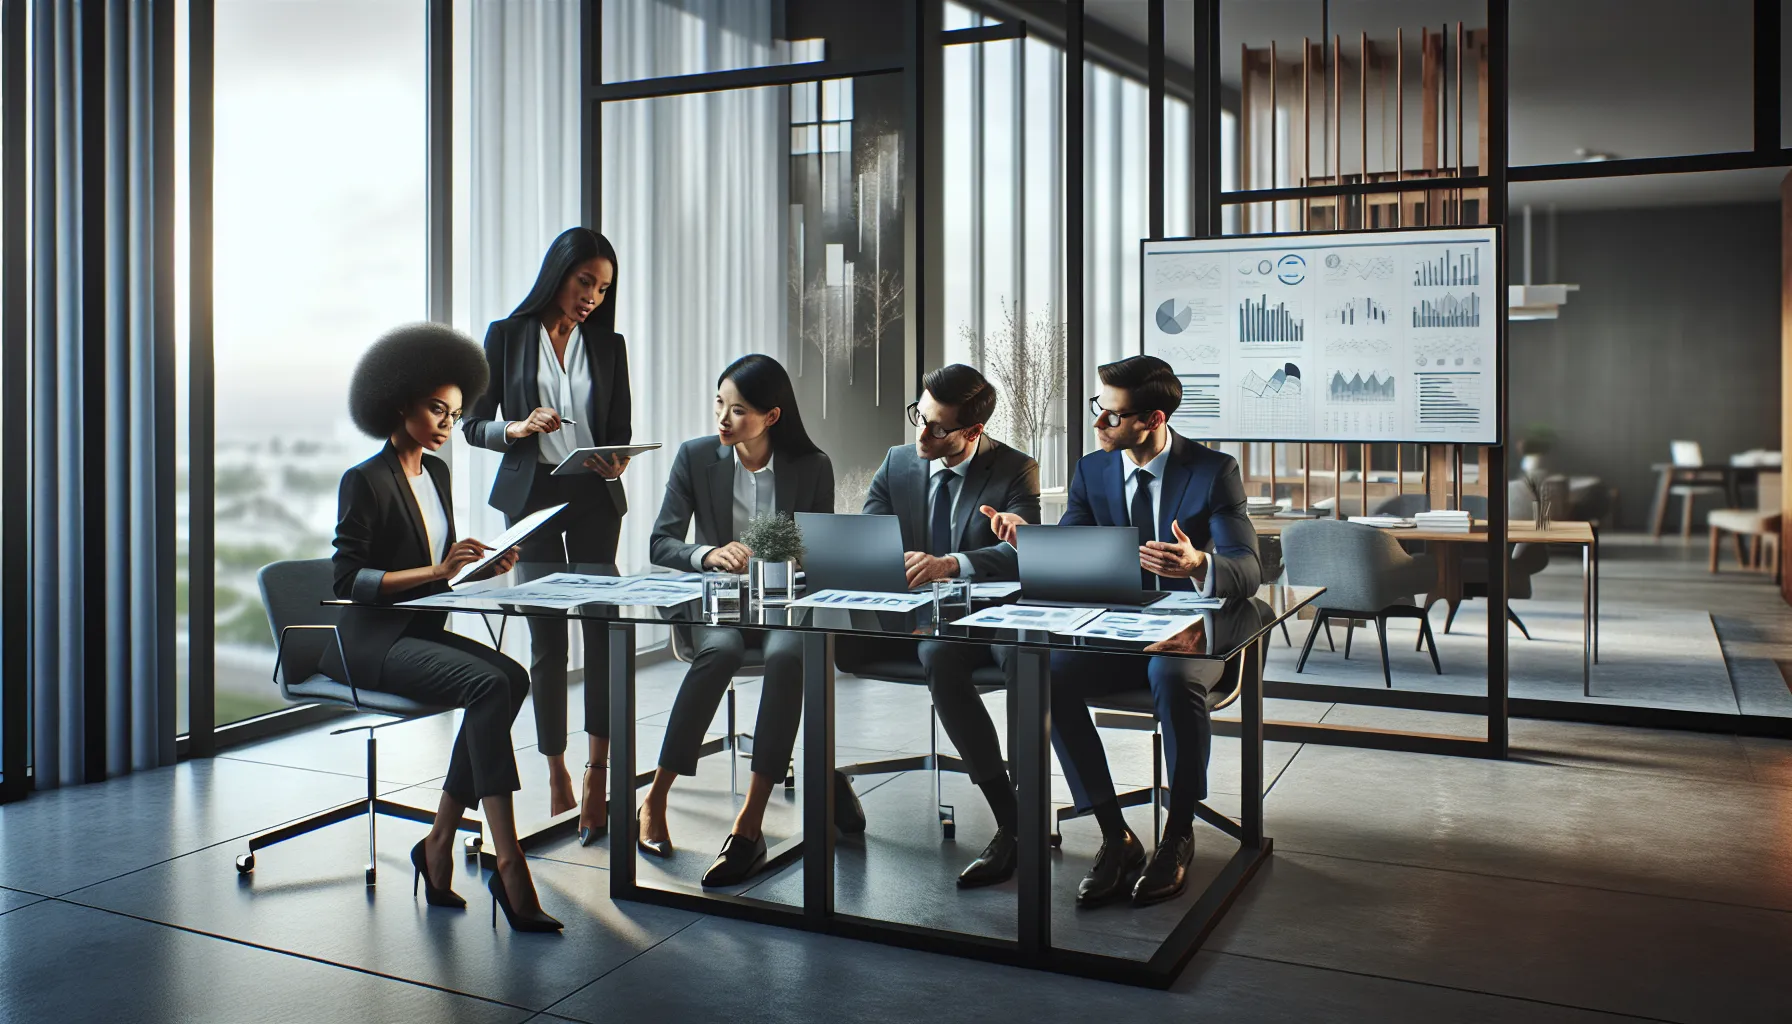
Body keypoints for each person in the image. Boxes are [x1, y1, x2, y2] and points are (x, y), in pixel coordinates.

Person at [985, 354, 1260, 908]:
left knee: (1172, 675)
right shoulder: (1094, 470)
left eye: (1110, 415)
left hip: (1193, 627)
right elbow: (1071, 553)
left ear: (1153, 419)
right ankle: (1116, 834)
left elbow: (1249, 569)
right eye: (1098, 409)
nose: (1098, 424)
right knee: (1044, 673)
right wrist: (1029, 543)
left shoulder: (1214, 471)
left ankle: (1177, 833)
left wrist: (1198, 564)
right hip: (1116, 629)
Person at [331, 323, 559, 931]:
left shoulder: (438, 476)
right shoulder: (365, 479)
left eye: (455, 415)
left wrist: (481, 567)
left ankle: (437, 843)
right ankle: (509, 861)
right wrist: (438, 565)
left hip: (424, 633)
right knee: (489, 686)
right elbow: (347, 580)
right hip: (374, 644)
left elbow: (441, 580)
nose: (446, 424)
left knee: (511, 677)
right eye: (437, 409)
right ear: (399, 400)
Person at [643, 354, 862, 888]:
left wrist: (793, 561)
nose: (723, 419)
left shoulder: (812, 466)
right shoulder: (696, 458)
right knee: (719, 652)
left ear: (772, 416)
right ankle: (655, 797)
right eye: (720, 403)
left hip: (785, 605)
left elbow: (822, 549)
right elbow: (661, 541)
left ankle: (751, 821)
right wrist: (708, 554)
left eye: (738, 410)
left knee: (791, 654)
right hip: (722, 605)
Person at [462, 227, 632, 846]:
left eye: (603, 287)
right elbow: (471, 424)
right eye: (584, 281)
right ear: (558, 273)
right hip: (532, 495)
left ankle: (597, 772)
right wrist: (514, 427)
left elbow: (619, 427)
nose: (591, 296)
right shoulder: (507, 337)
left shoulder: (608, 345)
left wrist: (618, 459)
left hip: (592, 495)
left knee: (602, 629)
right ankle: (555, 766)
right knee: (546, 638)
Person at [858, 364, 1040, 888]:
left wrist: (953, 563)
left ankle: (1017, 817)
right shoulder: (897, 464)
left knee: (1022, 659)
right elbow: (869, 536)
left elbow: (1022, 555)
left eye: (937, 427)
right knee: (934, 653)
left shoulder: (1015, 470)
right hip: (919, 622)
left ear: (972, 432)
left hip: (995, 618)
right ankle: (1013, 820)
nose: (921, 433)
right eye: (920, 415)